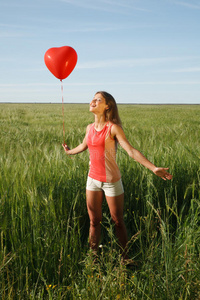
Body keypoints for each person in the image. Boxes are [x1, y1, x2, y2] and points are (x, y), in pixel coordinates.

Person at [62, 91, 172, 259]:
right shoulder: (89, 128)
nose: (93, 101)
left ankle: (125, 258)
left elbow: (131, 151)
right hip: (92, 180)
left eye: (98, 99)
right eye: (93, 98)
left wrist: (153, 168)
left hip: (111, 181)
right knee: (94, 221)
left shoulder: (113, 128)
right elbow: (83, 145)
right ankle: (93, 259)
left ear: (108, 106)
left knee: (118, 221)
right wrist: (69, 152)